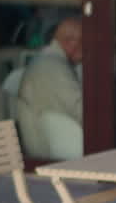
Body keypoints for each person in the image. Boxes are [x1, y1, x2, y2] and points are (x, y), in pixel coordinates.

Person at [16, 17, 83, 158]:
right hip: (59, 153)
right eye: (85, 43)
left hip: (44, 148)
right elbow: (80, 110)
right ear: (71, 42)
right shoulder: (54, 67)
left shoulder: (47, 60)